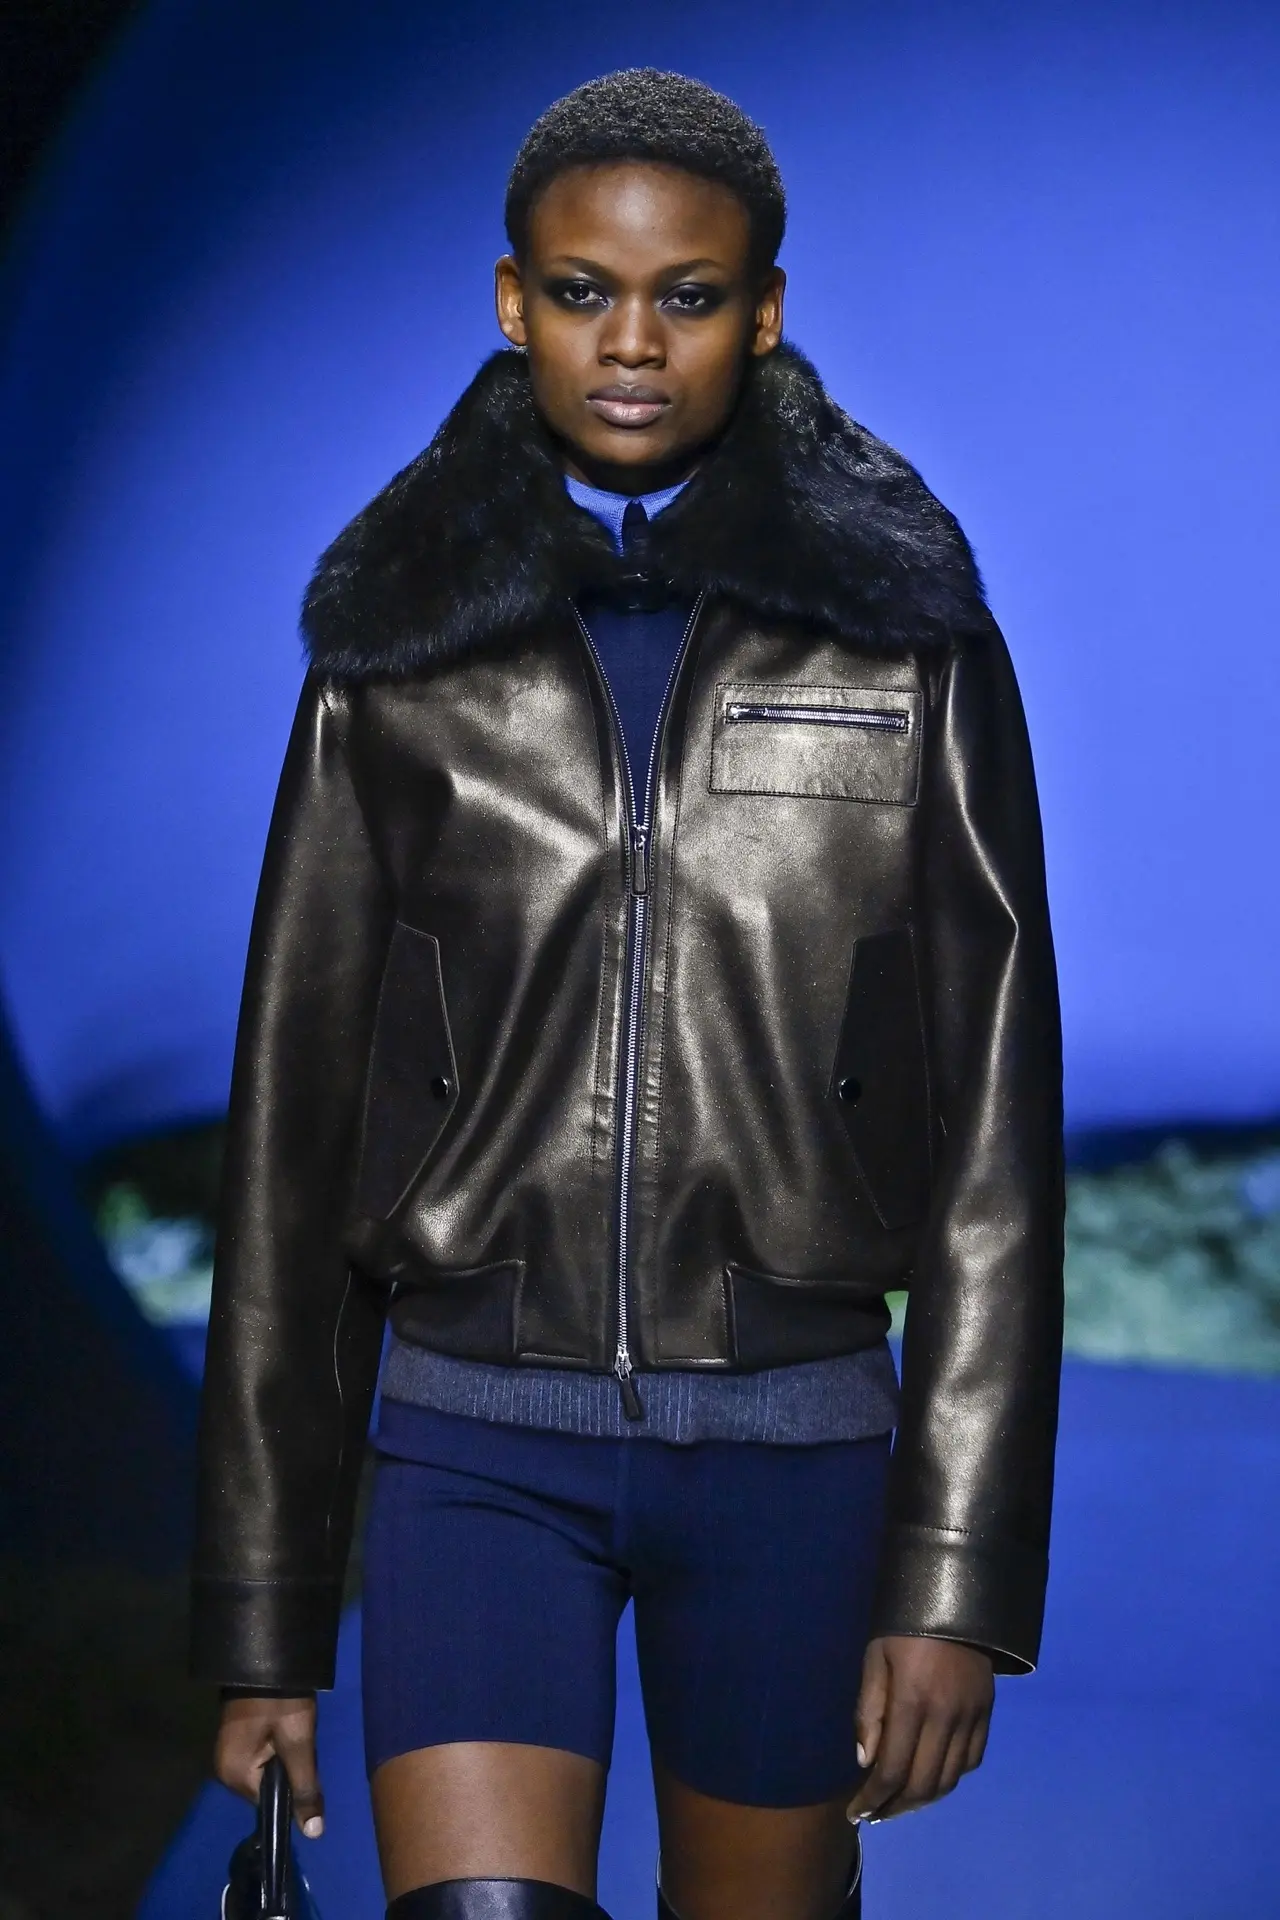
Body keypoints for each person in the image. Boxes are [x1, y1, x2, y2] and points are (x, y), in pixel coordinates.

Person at [194, 67, 1064, 1920]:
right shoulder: (397, 650)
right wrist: (264, 1618)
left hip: (795, 1455)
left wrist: (958, 1574)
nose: (635, 343)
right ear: (514, 302)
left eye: (689, 296)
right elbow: (293, 1131)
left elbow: (997, 1126)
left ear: (766, 311)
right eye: (586, 291)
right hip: (472, 1443)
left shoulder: (905, 639)